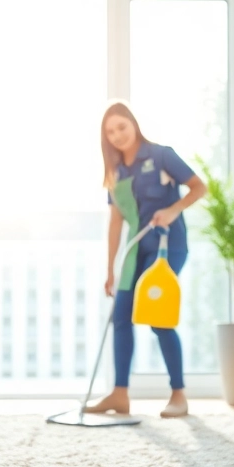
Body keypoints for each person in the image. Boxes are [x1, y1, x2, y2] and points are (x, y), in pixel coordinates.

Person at [85, 102, 206, 419]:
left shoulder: (162, 155)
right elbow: (115, 222)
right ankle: (119, 395)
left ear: (133, 124)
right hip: (135, 250)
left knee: (158, 315)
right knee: (121, 317)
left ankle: (178, 394)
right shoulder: (116, 173)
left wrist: (172, 210)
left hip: (167, 247)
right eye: (110, 132)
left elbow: (199, 187)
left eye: (121, 127)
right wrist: (111, 269)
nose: (117, 135)